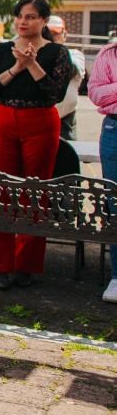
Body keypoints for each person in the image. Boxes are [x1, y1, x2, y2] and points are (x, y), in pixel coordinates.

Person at [0, 0, 72, 290]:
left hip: (41, 120)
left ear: (43, 21)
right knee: (1, 187)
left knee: (35, 190)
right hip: (4, 119)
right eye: (19, 16)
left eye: (30, 17)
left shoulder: (57, 52)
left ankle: (26, 265)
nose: (23, 21)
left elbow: (55, 93)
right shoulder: (1, 49)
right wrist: (17, 66)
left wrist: (32, 64)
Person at [84, 38, 117, 303]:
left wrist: (113, 88)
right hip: (113, 129)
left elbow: (107, 91)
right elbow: (96, 93)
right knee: (115, 203)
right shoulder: (109, 52)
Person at [47, 16, 86, 141]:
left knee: (67, 157)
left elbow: (70, 70)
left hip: (65, 122)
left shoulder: (75, 54)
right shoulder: (34, 55)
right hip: (37, 118)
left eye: (55, 33)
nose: (51, 37)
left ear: (65, 34)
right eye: (47, 33)